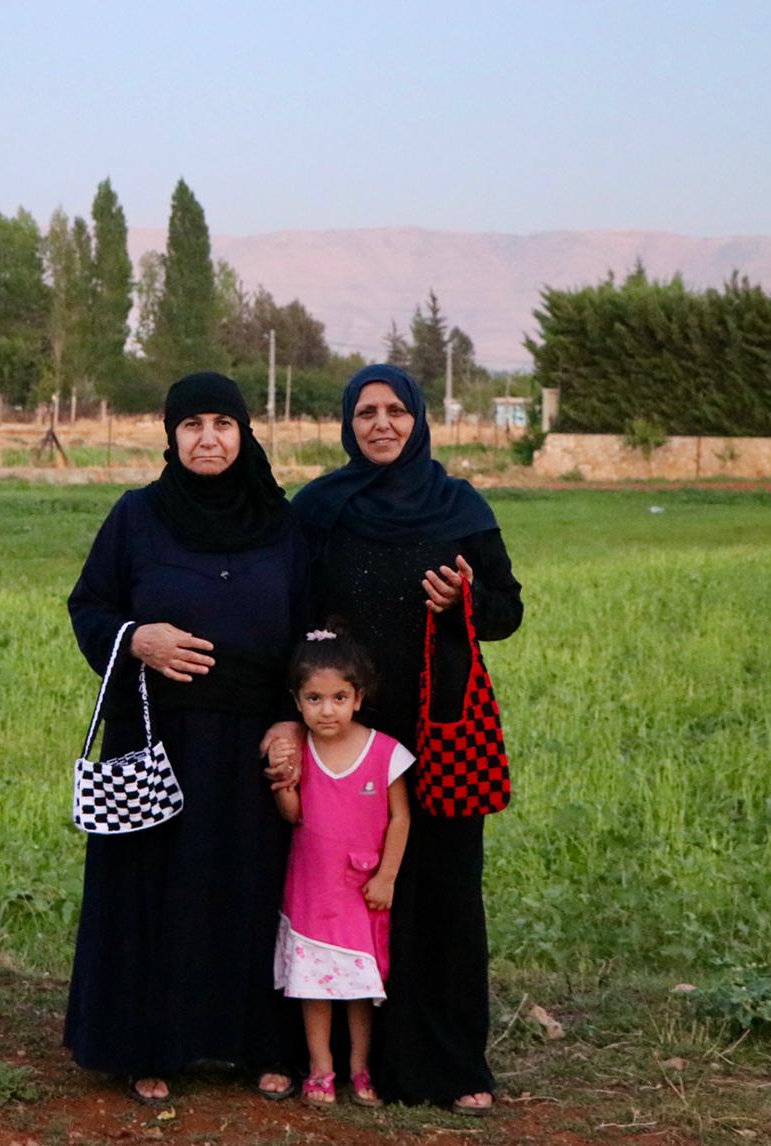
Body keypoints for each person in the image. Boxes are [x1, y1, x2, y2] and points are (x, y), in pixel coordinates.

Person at [66, 372, 308, 1106]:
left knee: (254, 887)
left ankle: (260, 1045)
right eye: (193, 424)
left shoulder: (285, 524)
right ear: (170, 435)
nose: (209, 438)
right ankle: (149, 1046)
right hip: (155, 737)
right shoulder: (139, 517)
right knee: (154, 888)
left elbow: (314, 628)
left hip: (255, 743)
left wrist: (295, 717)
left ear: (246, 433)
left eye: (223, 424)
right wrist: (136, 636)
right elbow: (89, 606)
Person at [289, 363, 523, 1116]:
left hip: (441, 731)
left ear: (419, 419)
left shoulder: (459, 506)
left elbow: (507, 611)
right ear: (346, 423)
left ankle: (451, 1065)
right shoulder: (322, 509)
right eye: (366, 413)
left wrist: (466, 600)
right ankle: (354, 1063)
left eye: (395, 411)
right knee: (343, 891)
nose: (381, 424)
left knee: (445, 893)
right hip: (346, 736)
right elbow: (295, 615)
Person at [271, 629, 411, 1109]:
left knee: (359, 990)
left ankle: (360, 1069)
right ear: (297, 700)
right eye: (314, 698)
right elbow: (295, 815)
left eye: (338, 697)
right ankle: (321, 1070)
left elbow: (400, 817)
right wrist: (283, 783)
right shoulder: (301, 749)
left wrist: (388, 876)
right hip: (313, 892)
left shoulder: (384, 751)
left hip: (362, 893)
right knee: (314, 986)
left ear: (359, 697)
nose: (326, 710)